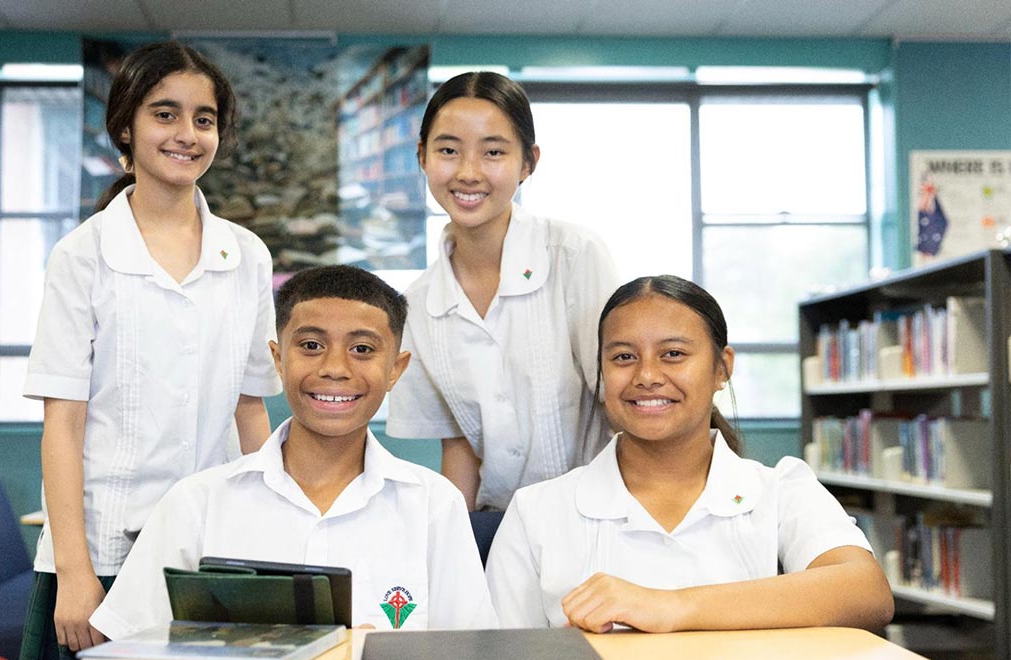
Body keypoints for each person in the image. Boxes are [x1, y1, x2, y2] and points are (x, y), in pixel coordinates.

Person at [20, 41, 281, 659]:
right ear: (126, 128)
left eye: (204, 118)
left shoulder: (246, 255)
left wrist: (276, 532)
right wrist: (74, 573)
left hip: (215, 551)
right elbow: (63, 425)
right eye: (165, 114)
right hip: (104, 550)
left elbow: (250, 412)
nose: (187, 134)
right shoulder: (81, 256)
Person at [88, 265, 498, 639]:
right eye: (311, 345)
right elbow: (128, 642)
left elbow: (469, 647)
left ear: (396, 368)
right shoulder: (198, 502)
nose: (335, 368)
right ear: (278, 359)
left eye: (362, 350)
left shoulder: (432, 505)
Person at [485, 275, 894, 633]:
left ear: (722, 368)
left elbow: (866, 591)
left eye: (673, 354)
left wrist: (669, 605)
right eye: (623, 357)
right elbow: (502, 649)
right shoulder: (536, 512)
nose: (646, 377)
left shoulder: (780, 488)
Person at [385, 71, 619, 512]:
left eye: (493, 152)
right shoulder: (416, 304)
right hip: (502, 525)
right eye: (448, 151)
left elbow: (625, 403)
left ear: (528, 162)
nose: (468, 173)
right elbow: (460, 450)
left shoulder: (574, 255)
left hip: (604, 513)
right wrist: (456, 548)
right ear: (422, 157)